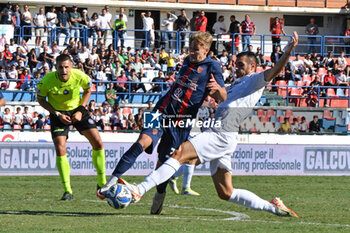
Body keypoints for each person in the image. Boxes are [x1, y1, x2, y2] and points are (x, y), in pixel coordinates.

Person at [120, 32, 300, 218]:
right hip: (224, 135)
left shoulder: (255, 80)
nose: (236, 67)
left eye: (241, 65)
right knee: (226, 192)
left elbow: (275, 71)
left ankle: (139, 190)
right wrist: (214, 92)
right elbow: (220, 98)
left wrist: (288, 51)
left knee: (180, 153)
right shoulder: (237, 84)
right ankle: (274, 207)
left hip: (221, 133)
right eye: (235, 64)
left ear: (252, 66)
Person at [97, 32, 227, 206]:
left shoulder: (213, 66)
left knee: (163, 161)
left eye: (196, 50)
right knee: (142, 141)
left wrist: (217, 89)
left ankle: (160, 193)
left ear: (206, 50)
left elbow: (223, 96)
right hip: (161, 109)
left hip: (181, 121)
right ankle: (110, 183)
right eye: (190, 49)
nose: (192, 53)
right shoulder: (188, 60)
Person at [37, 54, 107, 200]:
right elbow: (41, 99)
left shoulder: (80, 76)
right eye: (60, 67)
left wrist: (81, 110)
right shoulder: (46, 81)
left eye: (66, 67)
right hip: (58, 113)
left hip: (78, 110)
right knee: (60, 148)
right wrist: (56, 113)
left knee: (98, 143)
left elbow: (88, 90)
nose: (64, 70)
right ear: (55, 67)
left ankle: (102, 183)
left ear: (71, 67)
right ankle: (67, 190)